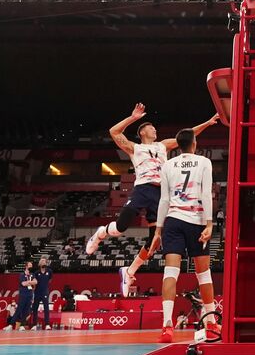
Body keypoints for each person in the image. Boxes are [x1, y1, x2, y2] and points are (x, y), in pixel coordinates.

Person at [84, 103, 220, 299]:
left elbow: (187, 136)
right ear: (142, 132)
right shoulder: (134, 148)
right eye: (151, 127)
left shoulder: (162, 145)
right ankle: (100, 234)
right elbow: (114, 131)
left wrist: (207, 122)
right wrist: (133, 118)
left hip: (161, 193)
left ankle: (129, 272)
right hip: (142, 189)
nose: (154, 129)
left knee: (154, 242)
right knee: (121, 226)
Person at [150, 129, 218, 344]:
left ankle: (167, 326)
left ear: (177, 145)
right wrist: (209, 223)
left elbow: (163, 200)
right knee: (203, 274)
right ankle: (211, 322)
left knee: (170, 272)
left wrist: (158, 230)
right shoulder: (204, 162)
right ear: (194, 143)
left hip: (173, 220)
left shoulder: (168, 165)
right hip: (197, 221)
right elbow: (206, 194)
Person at [6, 261, 37, 331]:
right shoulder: (22, 274)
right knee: (19, 310)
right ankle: (11, 324)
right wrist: (30, 282)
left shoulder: (32, 275)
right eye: (29, 266)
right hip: (23, 294)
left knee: (26, 311)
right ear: (26, 267)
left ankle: (22, 325)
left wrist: (29, 282)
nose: (31, 267)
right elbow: (23, 283)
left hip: (30, 295)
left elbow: (36, 282)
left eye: (31, 266)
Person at [31, 256, 53, 329]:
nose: (44, 263)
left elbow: (50, 280)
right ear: (40, 264)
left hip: (45, 292)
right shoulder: (36, 273)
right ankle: (34, 325)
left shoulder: (49, 271)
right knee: (35, 308)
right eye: (42, 262)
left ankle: (47, 324)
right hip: (37, 292)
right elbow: (34, 282)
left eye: (45, 262)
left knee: (46, 308)